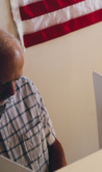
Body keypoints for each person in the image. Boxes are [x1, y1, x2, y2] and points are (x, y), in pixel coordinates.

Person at [0, 29, 67, 172]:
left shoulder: (27, 88)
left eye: (16, 79)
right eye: (4, 84)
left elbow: (53, 145)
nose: (13, 92)